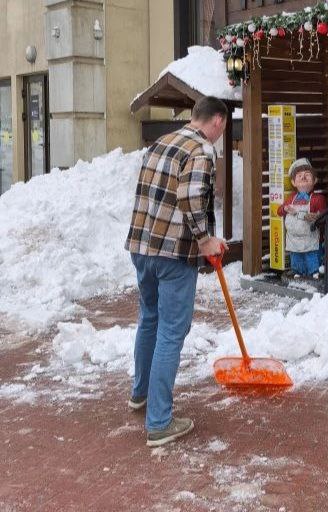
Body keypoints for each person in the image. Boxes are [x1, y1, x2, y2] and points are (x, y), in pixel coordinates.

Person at [125, 96, 229, 447]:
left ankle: (140, 394)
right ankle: (159, 422)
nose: (220, 134)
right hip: (173, 255)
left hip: (142, 247)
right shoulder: (201, 150)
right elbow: (192, 197)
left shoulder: (161, 142)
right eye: (223, 127)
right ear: (216, 120)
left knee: (149, 319)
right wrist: (205, 241)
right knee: (171, 331)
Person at [277, 158, 327, 277]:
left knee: (312, 258)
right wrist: (285, 208)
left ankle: (314, 273)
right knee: (297, 258)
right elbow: (279, 211)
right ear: (294, 182)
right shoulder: (291, 198)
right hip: (294, 241)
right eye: (299, 176)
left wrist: (317, 216)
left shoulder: (317, 198)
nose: (303, 178)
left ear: (315, 180)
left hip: (311, 240)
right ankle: (297, 272)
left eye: (307, 175)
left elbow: (325, 215)